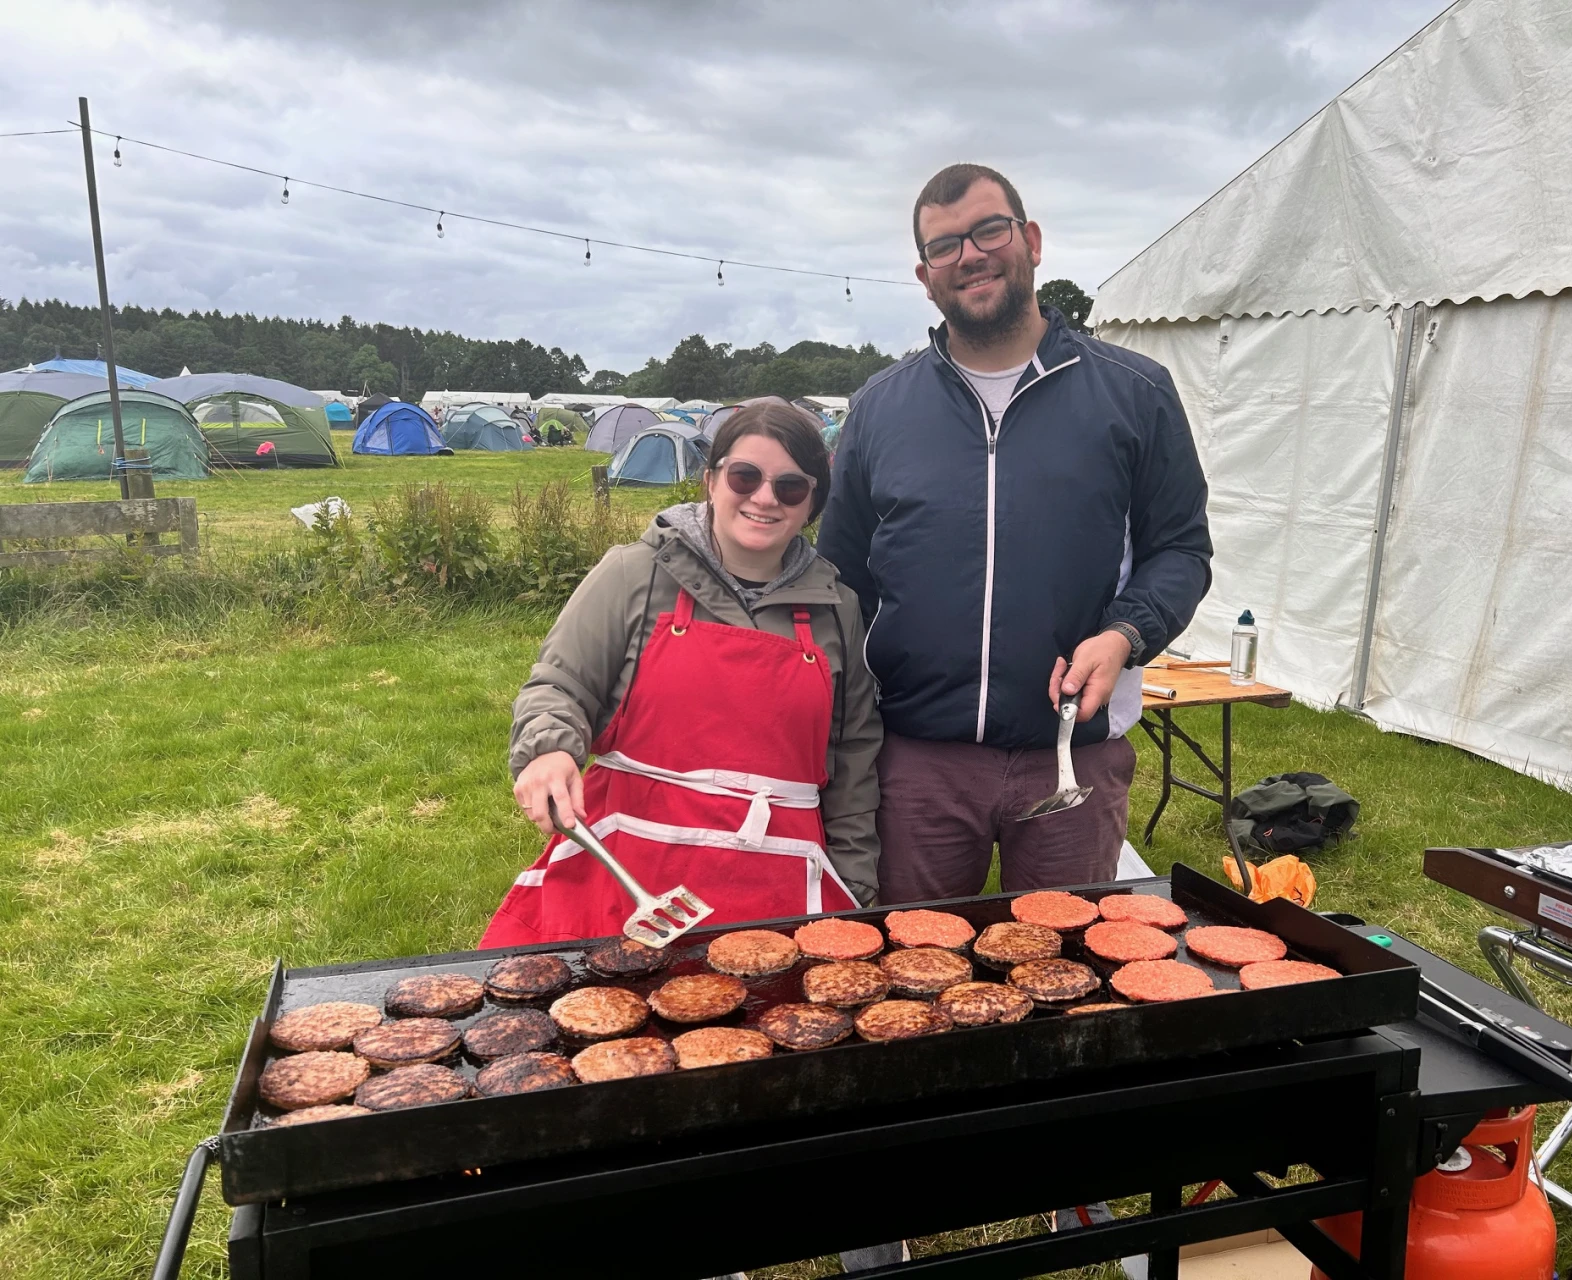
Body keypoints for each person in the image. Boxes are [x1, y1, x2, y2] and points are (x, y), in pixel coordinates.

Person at [818, 162, 1211, 906]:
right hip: (917, 760)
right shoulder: (879, 408)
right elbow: (839, 580)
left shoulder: (1133, 393)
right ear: (923, 273)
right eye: (944, 246)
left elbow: (1180, 551)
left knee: (1071, 978)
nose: (968, 255)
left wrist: (1125, 633)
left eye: (987, 230)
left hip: (1072, 755)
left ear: (1029, 239)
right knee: (910, 987)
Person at [483, 400, 883, 948]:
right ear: (711, 479)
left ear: (812, 503)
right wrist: (549, 749)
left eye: (791, 487)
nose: (764, 497)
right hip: (628, 876)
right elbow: (559, 686)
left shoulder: (838, 608)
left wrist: (854, 884)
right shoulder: (634, 574)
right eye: (745, 476)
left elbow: (854, 756)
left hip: (779, 883)